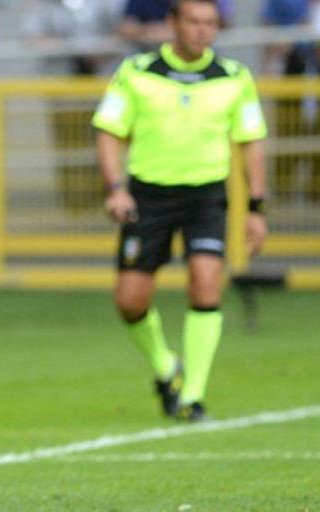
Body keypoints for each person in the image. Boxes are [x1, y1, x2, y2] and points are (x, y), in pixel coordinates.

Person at [92, 0, 268, 422]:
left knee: (206, 285)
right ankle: (166, 367)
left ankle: (193, 396)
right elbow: (108, 131)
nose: (203, 30)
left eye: (210, 23)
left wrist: (256, 207)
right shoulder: (137, 71)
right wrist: (116, 189)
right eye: (194, 21)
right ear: (172, 23)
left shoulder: (234, 76)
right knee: (130, 301)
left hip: (206, 197)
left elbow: (251, 141)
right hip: (147, 197)